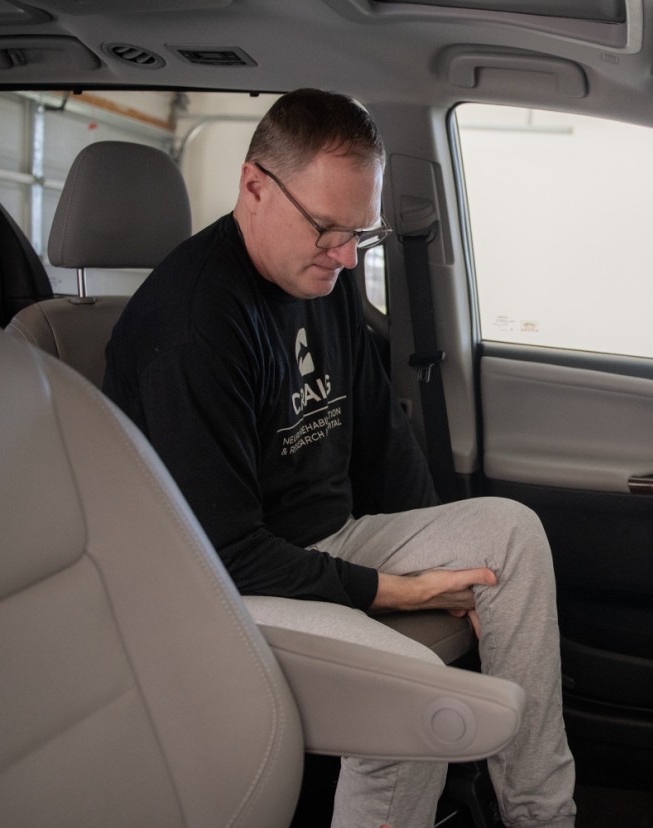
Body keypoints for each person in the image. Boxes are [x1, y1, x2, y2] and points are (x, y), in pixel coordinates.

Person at [103, 88, 576, 828]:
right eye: (328, 228)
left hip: (327, 542)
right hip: (220, 590)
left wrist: (438, 560)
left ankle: (541, 816)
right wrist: (400, 590)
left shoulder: (324, 275)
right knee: (408, 692)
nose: (347, 254)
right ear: (254, 185)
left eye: (363, 232)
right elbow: (223, 554)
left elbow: (381, 433)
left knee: (512, 532)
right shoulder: (193, 326)